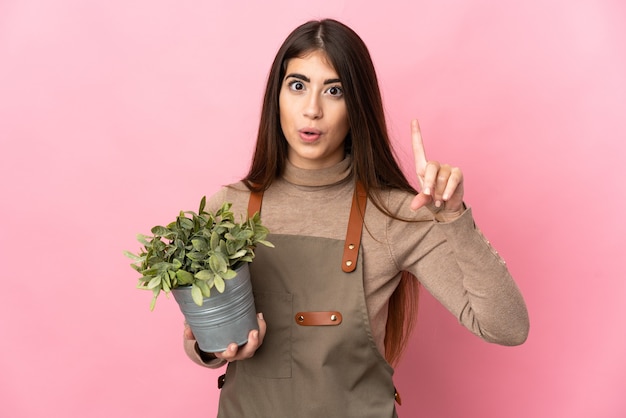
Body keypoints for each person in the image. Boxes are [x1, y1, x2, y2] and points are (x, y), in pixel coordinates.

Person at [182, 18, 529, 417]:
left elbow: (507, 327)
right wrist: (212, 346)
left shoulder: (395, 215)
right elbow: (202, 337)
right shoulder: (227, 207)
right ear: (276, 96)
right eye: (298, 85)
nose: (312, 109)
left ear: (357, 105)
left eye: (334, 91)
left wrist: (454, 217)